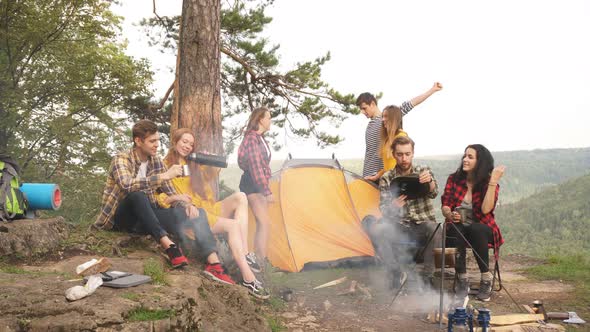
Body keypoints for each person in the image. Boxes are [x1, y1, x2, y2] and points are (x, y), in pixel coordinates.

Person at [94, 120, 234, 285]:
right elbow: (126, 184)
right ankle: (170, 247)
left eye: (158, 140)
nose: (156, 145)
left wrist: (187, 205)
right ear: (138, 141)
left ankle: (214, 265)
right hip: (123, 218)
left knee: (198, 212)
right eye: (152, 141)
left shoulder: (156, 162)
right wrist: (164, 176)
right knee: (138, 195)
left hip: (147, 218)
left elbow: (170, 192)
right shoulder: (121, 159)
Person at [157, 128, 269, 299]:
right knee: (233, 226)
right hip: (194, 213)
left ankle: (245, 253)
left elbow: (209, 176)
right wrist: (177, 198)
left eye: (191, 144)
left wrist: (209, 160)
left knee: (240, 196)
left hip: (209, 207)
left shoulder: (194, 162)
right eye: (184, 141)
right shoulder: (165, 165)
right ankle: (248, 277)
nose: (187, 146)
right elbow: (160, 195)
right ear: (175, 141)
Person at [365, 136, 440, 289]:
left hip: (422, 222)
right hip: (399, 224)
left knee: (436, 229)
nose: (404, 158)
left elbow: (434, 193)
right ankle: (395, 271)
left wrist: (430, 181)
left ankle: (428, 275)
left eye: (407, 154)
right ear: (394, 154)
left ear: (412, 153)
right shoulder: (387, 177)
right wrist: (393, 206)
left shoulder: (423, 171)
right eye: (400, 154)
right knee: (377, 228)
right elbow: (384, 210)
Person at [441, 144, 506, 302]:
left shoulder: (488, 183)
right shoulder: (454, 179)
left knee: (476, 229)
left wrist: (493, 182)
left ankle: (486, 278)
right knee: (456, 227)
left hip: (483, 229)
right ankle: (462, 279)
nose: (465, 159)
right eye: (465, 156)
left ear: (480, 162)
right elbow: (445, 205)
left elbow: (485, 210)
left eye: (470, 157)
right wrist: (450, 214)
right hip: (459, 228)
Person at [356, 82, 443, 180]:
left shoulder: (389, 118)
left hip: (381, 176)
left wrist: (432, 90)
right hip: (368, 175)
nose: (362, 112)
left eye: (364, 108)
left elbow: (411, 103)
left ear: (372, 104)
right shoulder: (369, 126)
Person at [237, 107, 273, 265]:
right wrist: (266, 190)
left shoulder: (260, 138)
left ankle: (261, 259)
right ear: (260, 119)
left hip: (257, 183)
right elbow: (256, 165)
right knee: (264, 222)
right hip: (252, 183)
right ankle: (261, 261)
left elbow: (263, 165)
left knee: (262, 223)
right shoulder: (252, 138)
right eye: (269, 118)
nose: (270, 121)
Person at [364, 105, 407, 182]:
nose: (383, 119)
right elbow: (388, 167)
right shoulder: (387, 139)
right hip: (388, 181)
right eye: (383, 116)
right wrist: (376, 177)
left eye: (386, 116)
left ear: (394, 118)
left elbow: (405, 164)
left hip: (397, 182)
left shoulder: (401, 136)